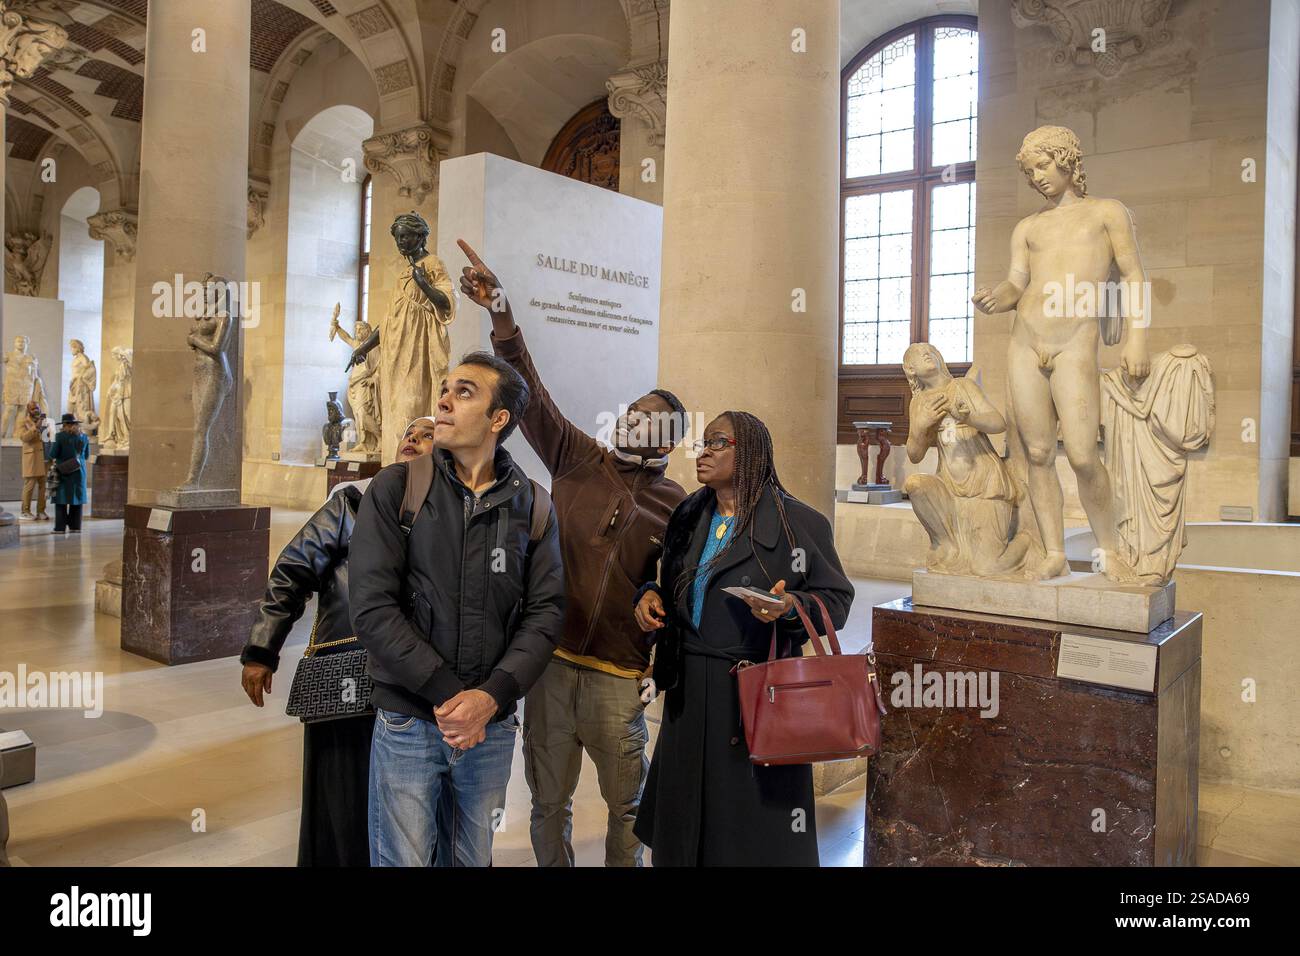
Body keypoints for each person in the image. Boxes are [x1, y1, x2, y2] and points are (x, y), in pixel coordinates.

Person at [457, 239, 688, 867]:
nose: (630, 422)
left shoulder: (677, 502)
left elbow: (680, 586)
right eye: (631, 412)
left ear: (668, 438)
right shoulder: (576, 456)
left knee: (628, 808)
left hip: (617, 674)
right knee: (548, 803)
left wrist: (655, 599)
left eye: (647, 420)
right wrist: (502, 313)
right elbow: (531, 389)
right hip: (552, 663)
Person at [349, 352, 565, 867]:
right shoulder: (398, 488)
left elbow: (546, 613)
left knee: (472, 858)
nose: (444, 400)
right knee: (403, 859)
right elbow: (372, 607)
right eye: (445, 389)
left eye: (464, 392)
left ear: (498, 420)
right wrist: (453, 701)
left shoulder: (533, 505)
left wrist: (490, 699)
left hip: (489, 728)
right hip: (410, 721)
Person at [632, 411, 854, 866]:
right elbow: (671, 578)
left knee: (747, 832)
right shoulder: (690, 513)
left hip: (756, 695)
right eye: (703, 442)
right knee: (684, 825)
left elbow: (836, 599)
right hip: (690, 692)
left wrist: (791, 606)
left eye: (718, 442)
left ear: (749, 450)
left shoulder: (798, 523)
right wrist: (650, 595)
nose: (704, 451)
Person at [240, 417, 438, 867]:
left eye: (428, 434)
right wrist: (261, 649)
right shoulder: (352, 503)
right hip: (345, 672)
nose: (414, 438)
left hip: (413, 682)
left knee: (404, 801)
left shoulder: (452, 513)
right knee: (342, 797)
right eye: (410, 432)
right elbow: (294, 568)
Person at [972, 125, 1150, 580]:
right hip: (1026, 340)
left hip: (1075, 341)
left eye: (1044, 166)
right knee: (1036, 453)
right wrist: (999, 297)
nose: (1038, 178)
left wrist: (1137, 337)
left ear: (1067, 160)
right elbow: (1017, 282)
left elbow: (1133, 275)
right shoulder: (1028, 227)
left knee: (1084, 454)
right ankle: (1054, 552)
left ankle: (1108, 550)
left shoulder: (1107, 213)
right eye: (1031, 173)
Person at [48, 413, 89, 534]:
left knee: (61, 499)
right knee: (77, 499)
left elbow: (53, 454)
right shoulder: (84, 437)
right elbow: (86, 455)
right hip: (79, 471)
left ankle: (60, 528)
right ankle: (75, 527)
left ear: (64, 424)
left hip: (63, 471)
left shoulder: (60, 436)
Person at [18, 402, 49, 520]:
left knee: (43, 486)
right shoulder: (23, 422)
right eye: (33, 408)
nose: (36, 410)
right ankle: (25, 511)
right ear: (28, 410)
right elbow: (24, 438)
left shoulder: (46, 421)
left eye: (37, 408)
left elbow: (49, 439)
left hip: (44, 458)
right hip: (31, 458)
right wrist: (36, 427)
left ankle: (41, 511)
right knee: (29, 485)